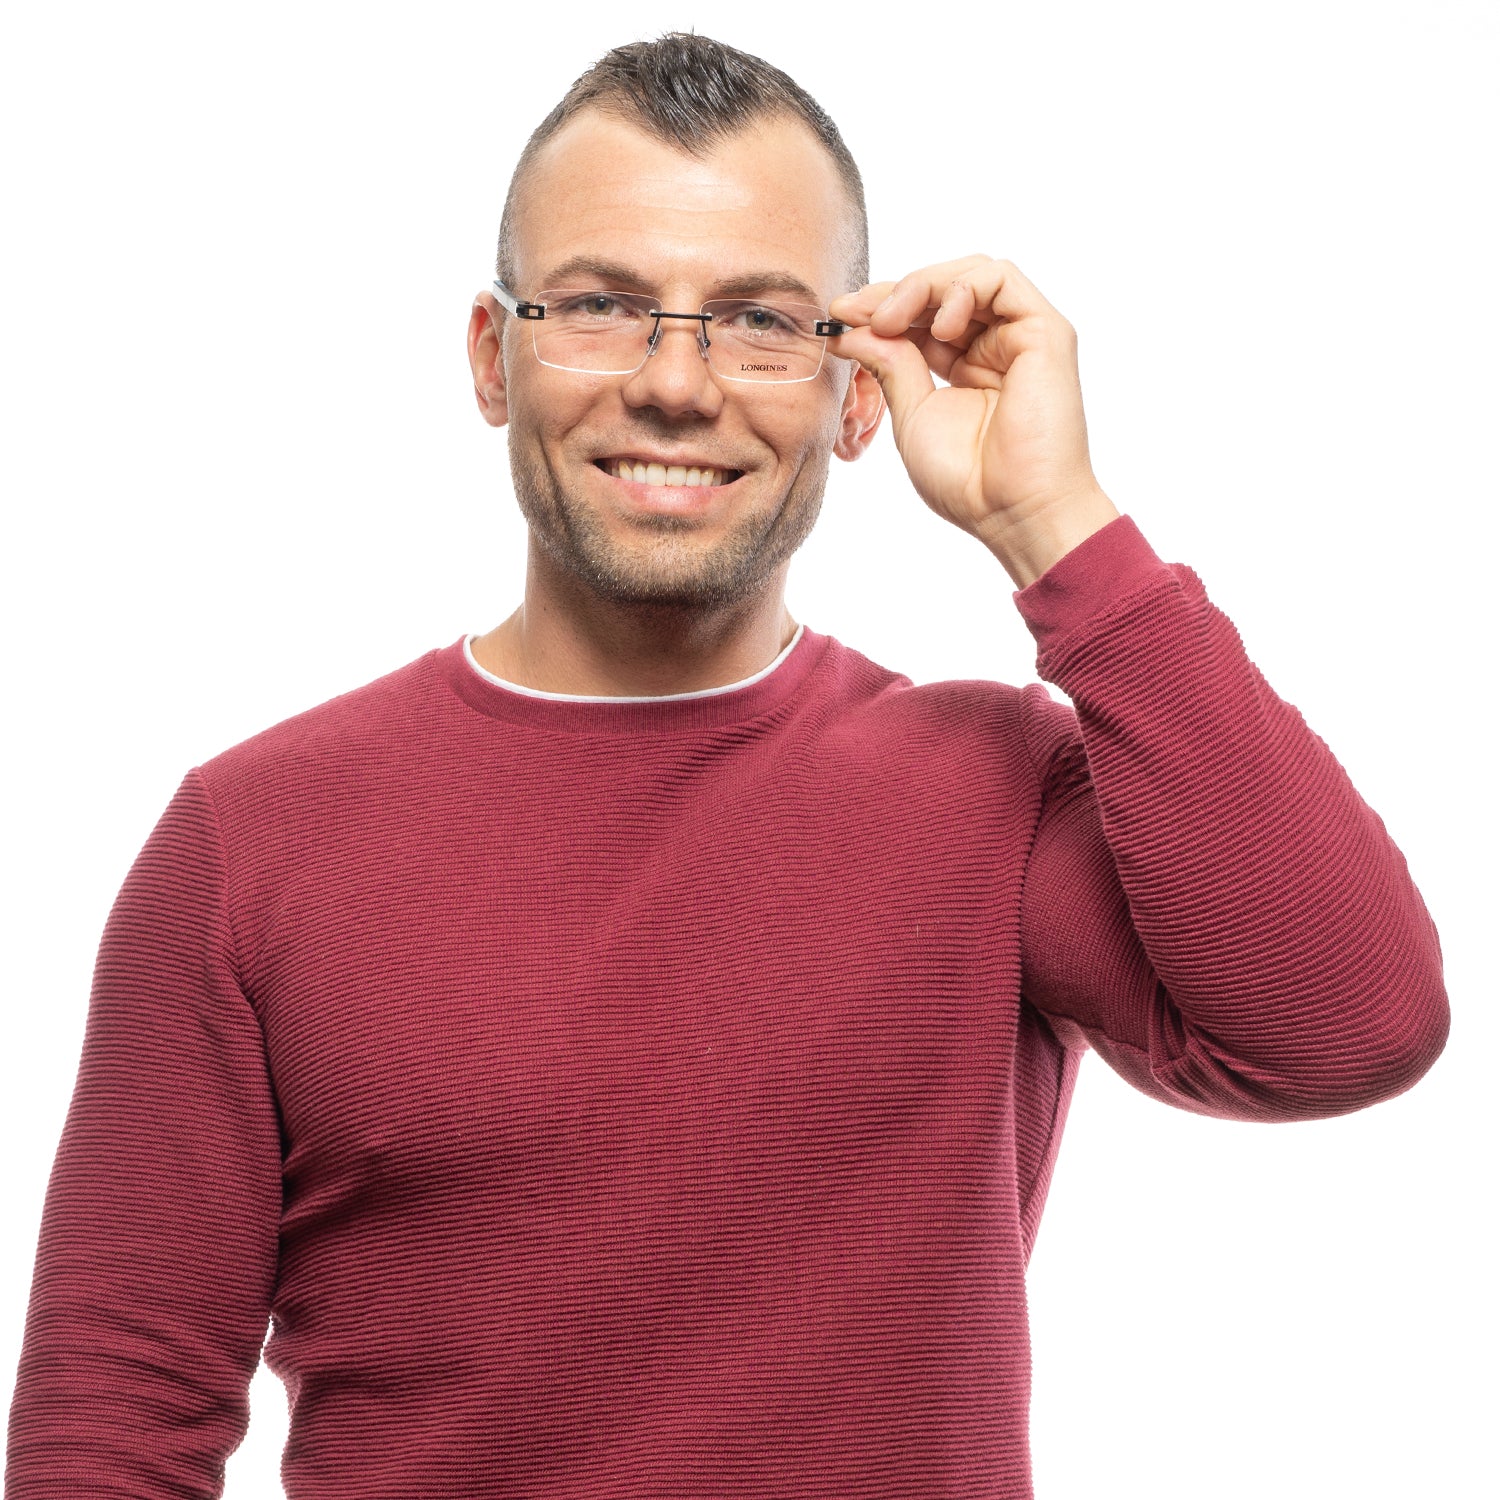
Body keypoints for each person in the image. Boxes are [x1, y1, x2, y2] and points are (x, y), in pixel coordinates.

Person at [5, 31, 1448, 1500]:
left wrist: (1055, 522)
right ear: (493, 358)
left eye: (759, 322)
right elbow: (105, 1439)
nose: (677, 387)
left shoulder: (997, 790)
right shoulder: (252, 840)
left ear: (858, 394)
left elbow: (1354, 1026)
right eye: (601, 308)